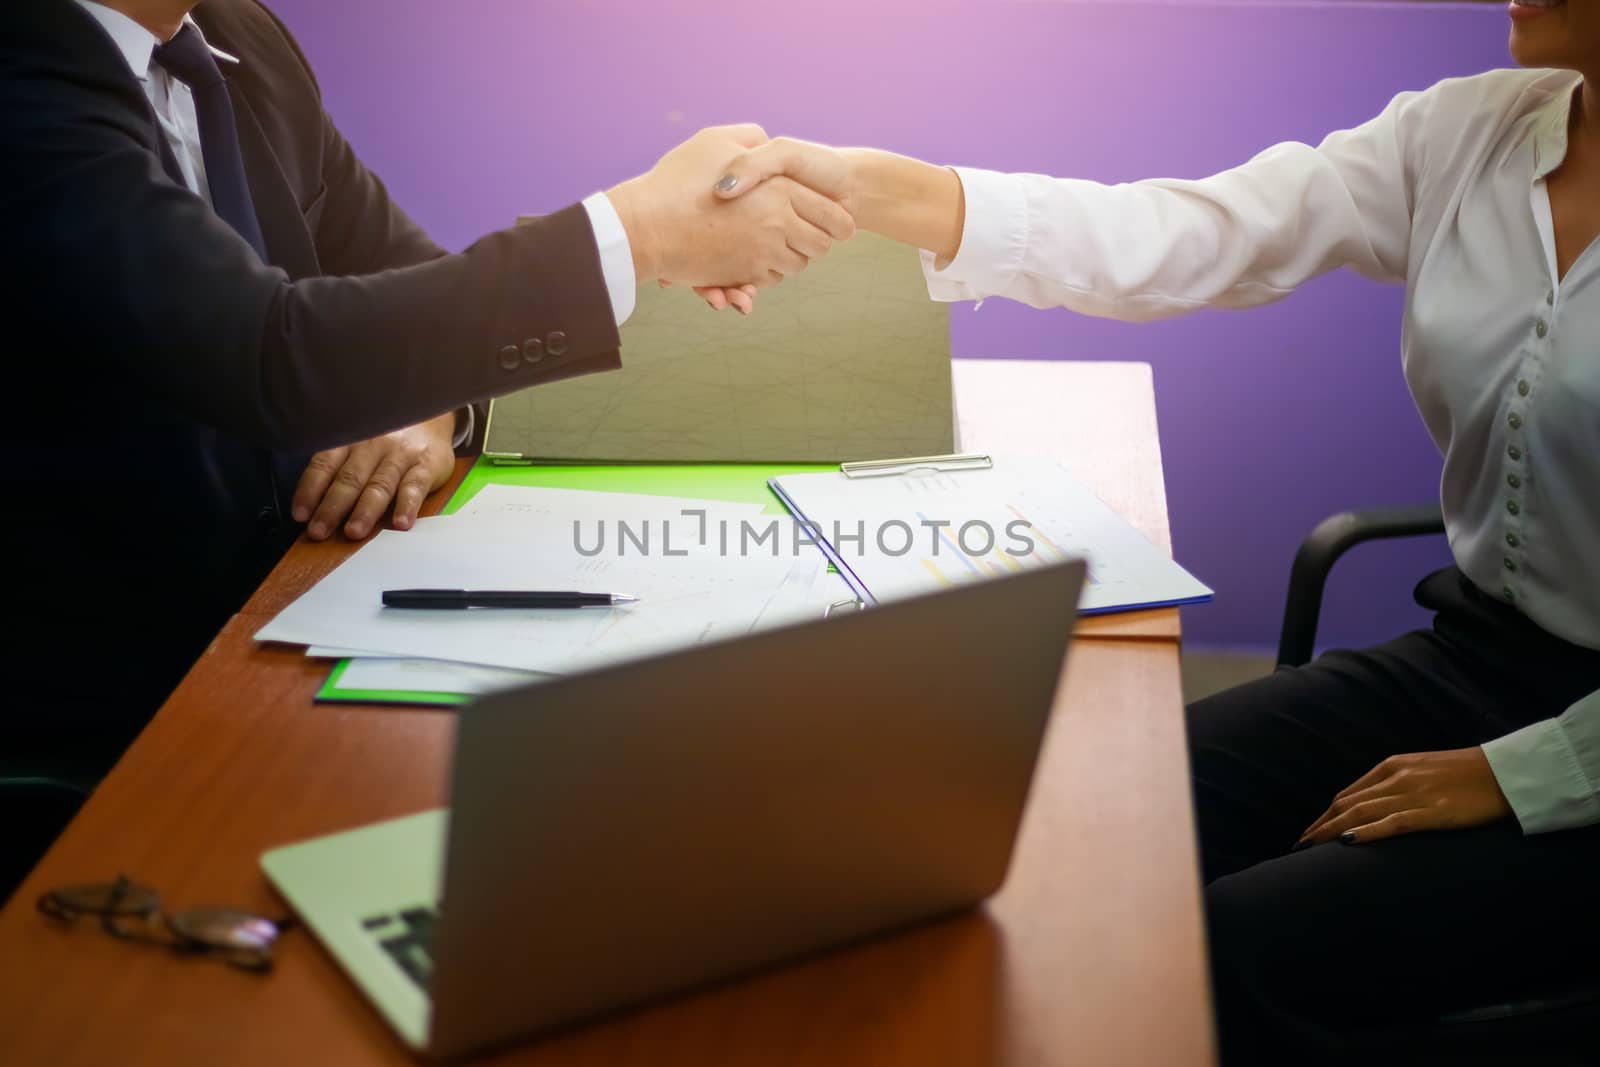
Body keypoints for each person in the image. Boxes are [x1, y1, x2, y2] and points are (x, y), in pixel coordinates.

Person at [708, 2, 1600, 1061]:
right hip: (1480, 657)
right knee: (1093, 830)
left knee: (1243, 945)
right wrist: (865, 189)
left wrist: (1521, 772)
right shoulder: (1474, 130)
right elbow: (1182, 234)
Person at [0, 0, 853, 823]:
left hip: (290, 621)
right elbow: (266, 352)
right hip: (111, 712)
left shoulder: (234, 35)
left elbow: (401, 276)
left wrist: (431, 406)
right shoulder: (25, 67)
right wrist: (642, 235)